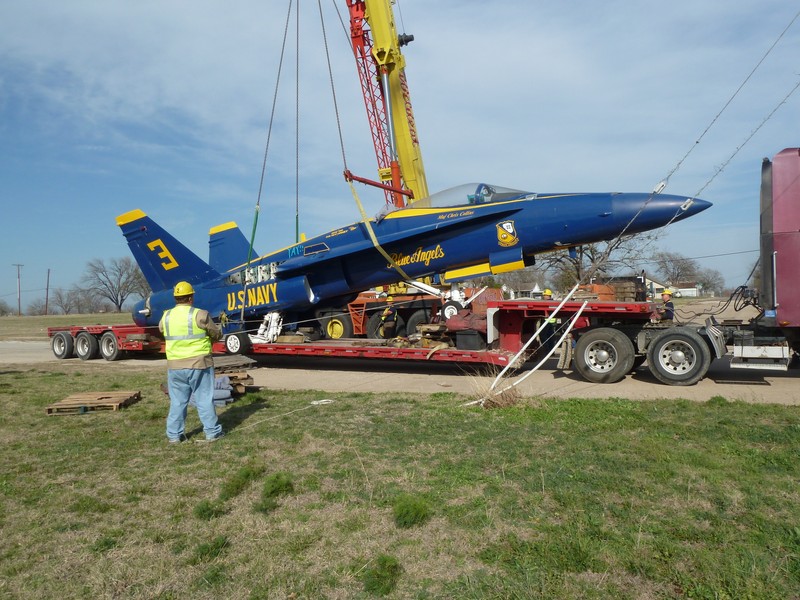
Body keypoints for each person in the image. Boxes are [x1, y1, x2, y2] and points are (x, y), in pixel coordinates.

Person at [159, 281, 224, 443]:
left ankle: (174, 436)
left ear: (176, 298)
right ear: (191, 298)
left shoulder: (166, 316)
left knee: (178, 402)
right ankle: (212, 433)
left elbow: (162, 330)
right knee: (204, 399)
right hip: (199, 364)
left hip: (175, 366)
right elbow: (216, 335)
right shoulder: (200, 315)